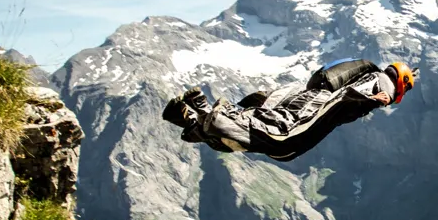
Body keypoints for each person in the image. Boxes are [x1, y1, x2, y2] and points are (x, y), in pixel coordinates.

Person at [162, 59, 414, 162]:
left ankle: (197, 113)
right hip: (317, 104)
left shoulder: (368, 72)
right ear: (402, 83)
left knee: (276, 145)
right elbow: (353, 95)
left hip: (303, 96)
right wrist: (372, 99)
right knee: (282, 136)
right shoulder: (384, 84)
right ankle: (212, 114)